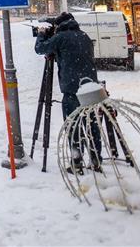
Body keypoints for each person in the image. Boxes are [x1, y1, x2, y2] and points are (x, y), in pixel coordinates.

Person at [35, 12, 102, 171]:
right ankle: (96, 160)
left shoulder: (61, 38)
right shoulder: (84, 36)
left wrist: (42, 34)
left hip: (72, 90)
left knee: (74, 125)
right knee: (91, 125)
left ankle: (76, 161)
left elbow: (40, 48)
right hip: (90, 87)